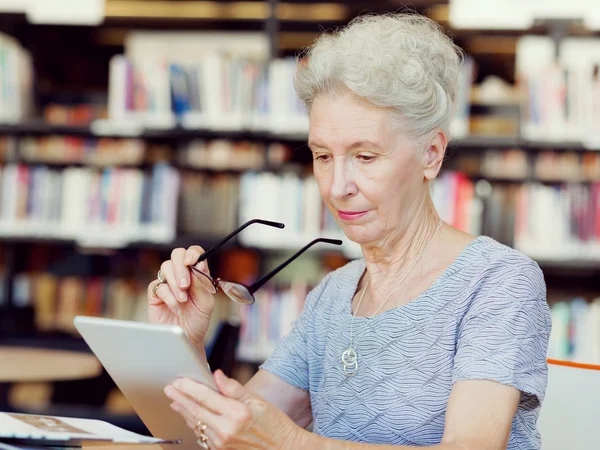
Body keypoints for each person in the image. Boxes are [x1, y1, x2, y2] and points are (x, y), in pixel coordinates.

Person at [150, 13, 551, 450]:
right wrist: (182, 342)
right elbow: (228, 433)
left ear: (431, 154)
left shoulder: (499, 281)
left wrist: (293, 444)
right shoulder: (334, 294)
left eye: (364, 157)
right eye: (323, 157)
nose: (337, 188)